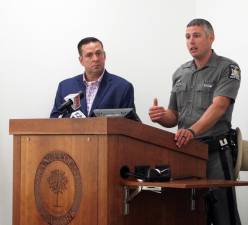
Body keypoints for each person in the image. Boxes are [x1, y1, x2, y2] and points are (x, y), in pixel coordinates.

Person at [149, 19, 241, 225]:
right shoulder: (180, 73)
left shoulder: (227, 68)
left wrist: (191, 130)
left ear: (211, 37)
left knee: (222, 214)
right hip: (186, 153)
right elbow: (174, 116)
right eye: (188, 37)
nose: (191, 41)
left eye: (197, 35)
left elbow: (219, 106)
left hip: (216, 152)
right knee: (188, 211)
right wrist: (161, 116)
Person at [50, 37, 135, 118]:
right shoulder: (65, 86)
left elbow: (130, 125)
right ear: (81, 60)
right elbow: (54, 119)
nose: (95, 59)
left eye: (98, 53)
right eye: (89, 55)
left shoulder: (123, 87)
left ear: (104, 56)